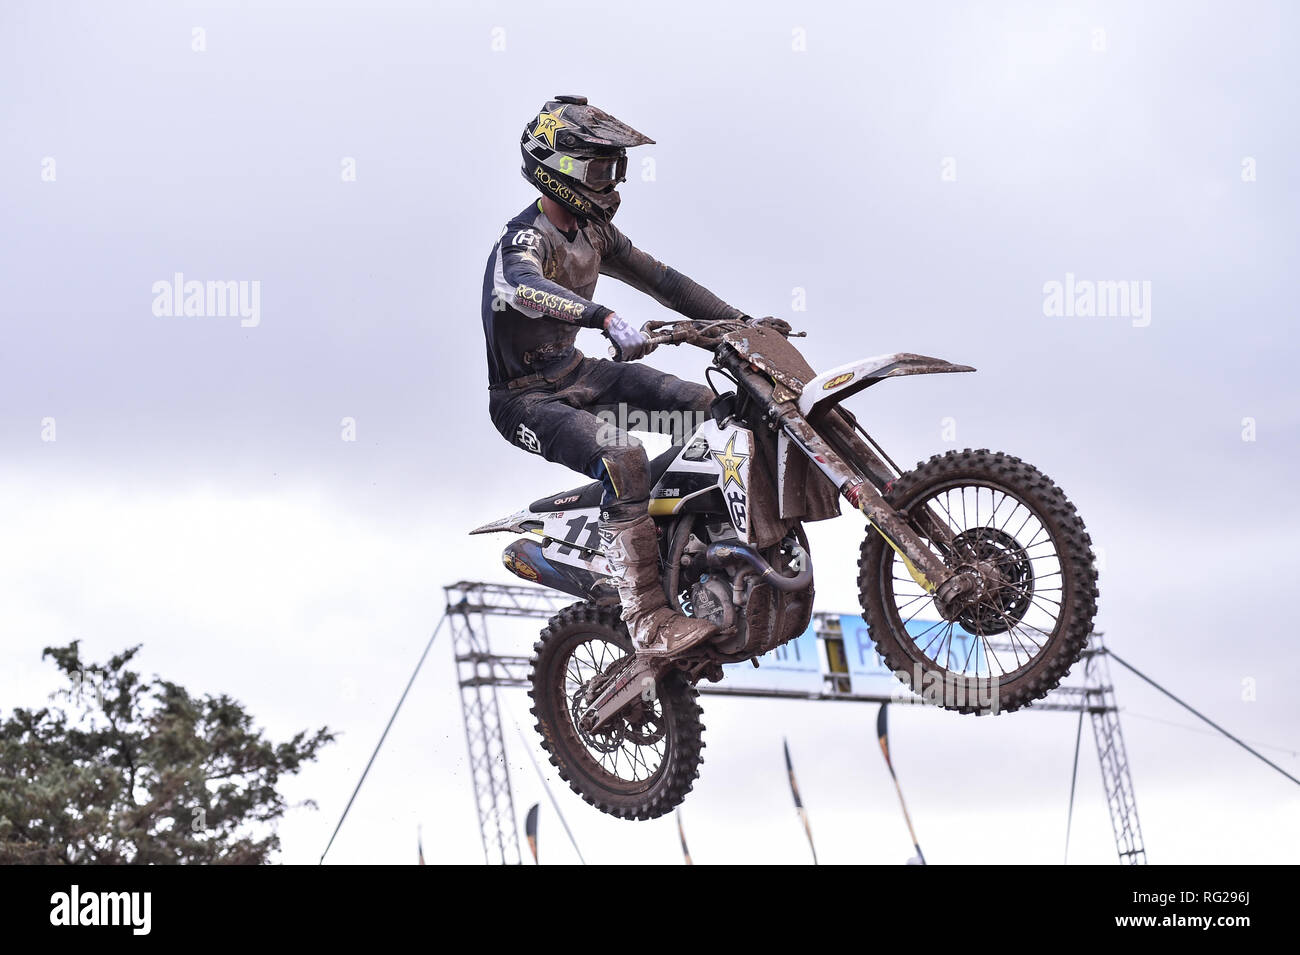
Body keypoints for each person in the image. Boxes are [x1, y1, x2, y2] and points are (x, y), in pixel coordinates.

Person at [481, 94, 747, 658]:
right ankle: (648, 616)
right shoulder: (523, 238)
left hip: (582, 376)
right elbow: (521, 286)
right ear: (556, 169)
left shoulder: (595, 233)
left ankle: (697, 548)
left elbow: (666, 282)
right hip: (527, 402)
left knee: (719, 410)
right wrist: (601, 315)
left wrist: (741, 326)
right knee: (622, 454)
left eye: (612, 168)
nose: (608, 181)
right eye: (597, 169)